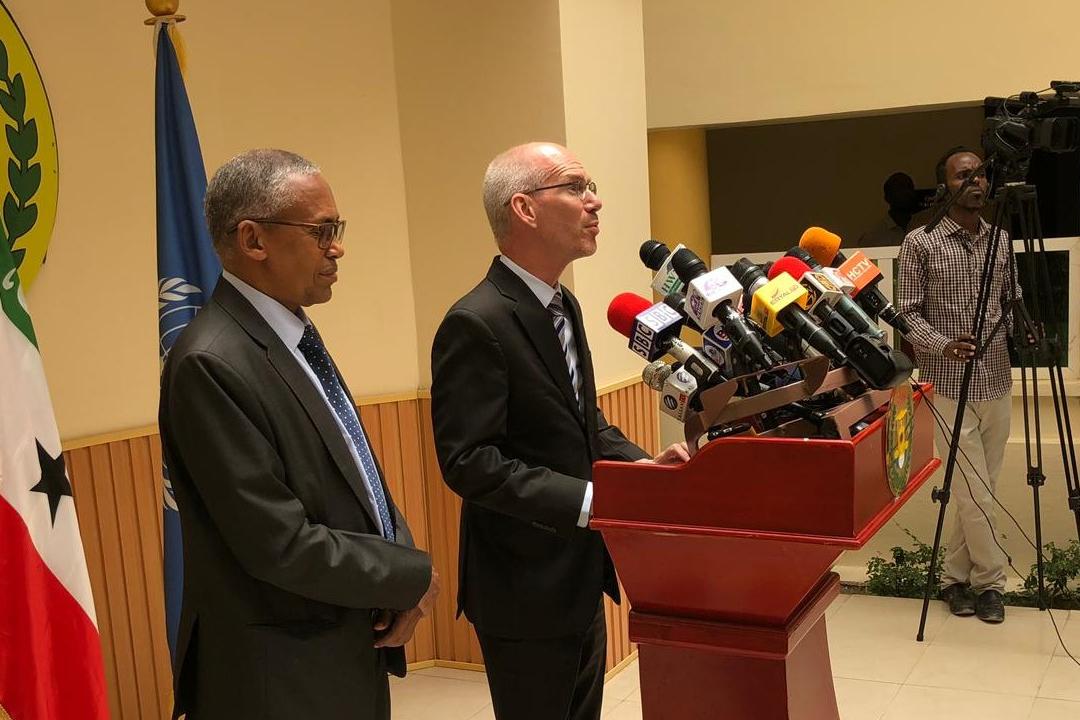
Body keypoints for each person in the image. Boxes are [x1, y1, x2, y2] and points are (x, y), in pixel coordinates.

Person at [160, 149, 439, 719]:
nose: (337, 248)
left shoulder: (291, 335)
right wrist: (407, 574)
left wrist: (397, 569)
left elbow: (358, 475)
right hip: (279, 674)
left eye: (337, 229)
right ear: (253, 239)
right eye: (321, 231)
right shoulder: (211, 362)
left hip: (341, 642)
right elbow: (278, 542)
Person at [430, 142, 690, 720]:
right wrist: (593, 501)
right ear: (524, 208)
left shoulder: (562, 304)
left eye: (590, 186)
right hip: (521, 585)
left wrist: (640, 468)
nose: (594, 201)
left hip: (577, 571)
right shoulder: (476, 321)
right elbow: (470, 461)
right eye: (575, 187)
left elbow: (582, 420)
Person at [898, 145, 1019, 624]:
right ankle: (991, 583)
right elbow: (906, 314)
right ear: (943, 187)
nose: (975, 182)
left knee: (979, 488)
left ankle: (953, 579)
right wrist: (944, 345)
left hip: (998, 379)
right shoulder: (921, 242)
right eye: (963, 175)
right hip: (948, 384)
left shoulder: (1000, 239)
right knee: (974, 489)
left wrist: (1016, 329)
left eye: (980, 175)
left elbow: (1011, 298)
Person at [856, 172, 927, 248]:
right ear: (887, 197)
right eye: (900, 188)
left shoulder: (925, 229)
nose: (906, 192)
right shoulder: (873, 237)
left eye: (909, 187)